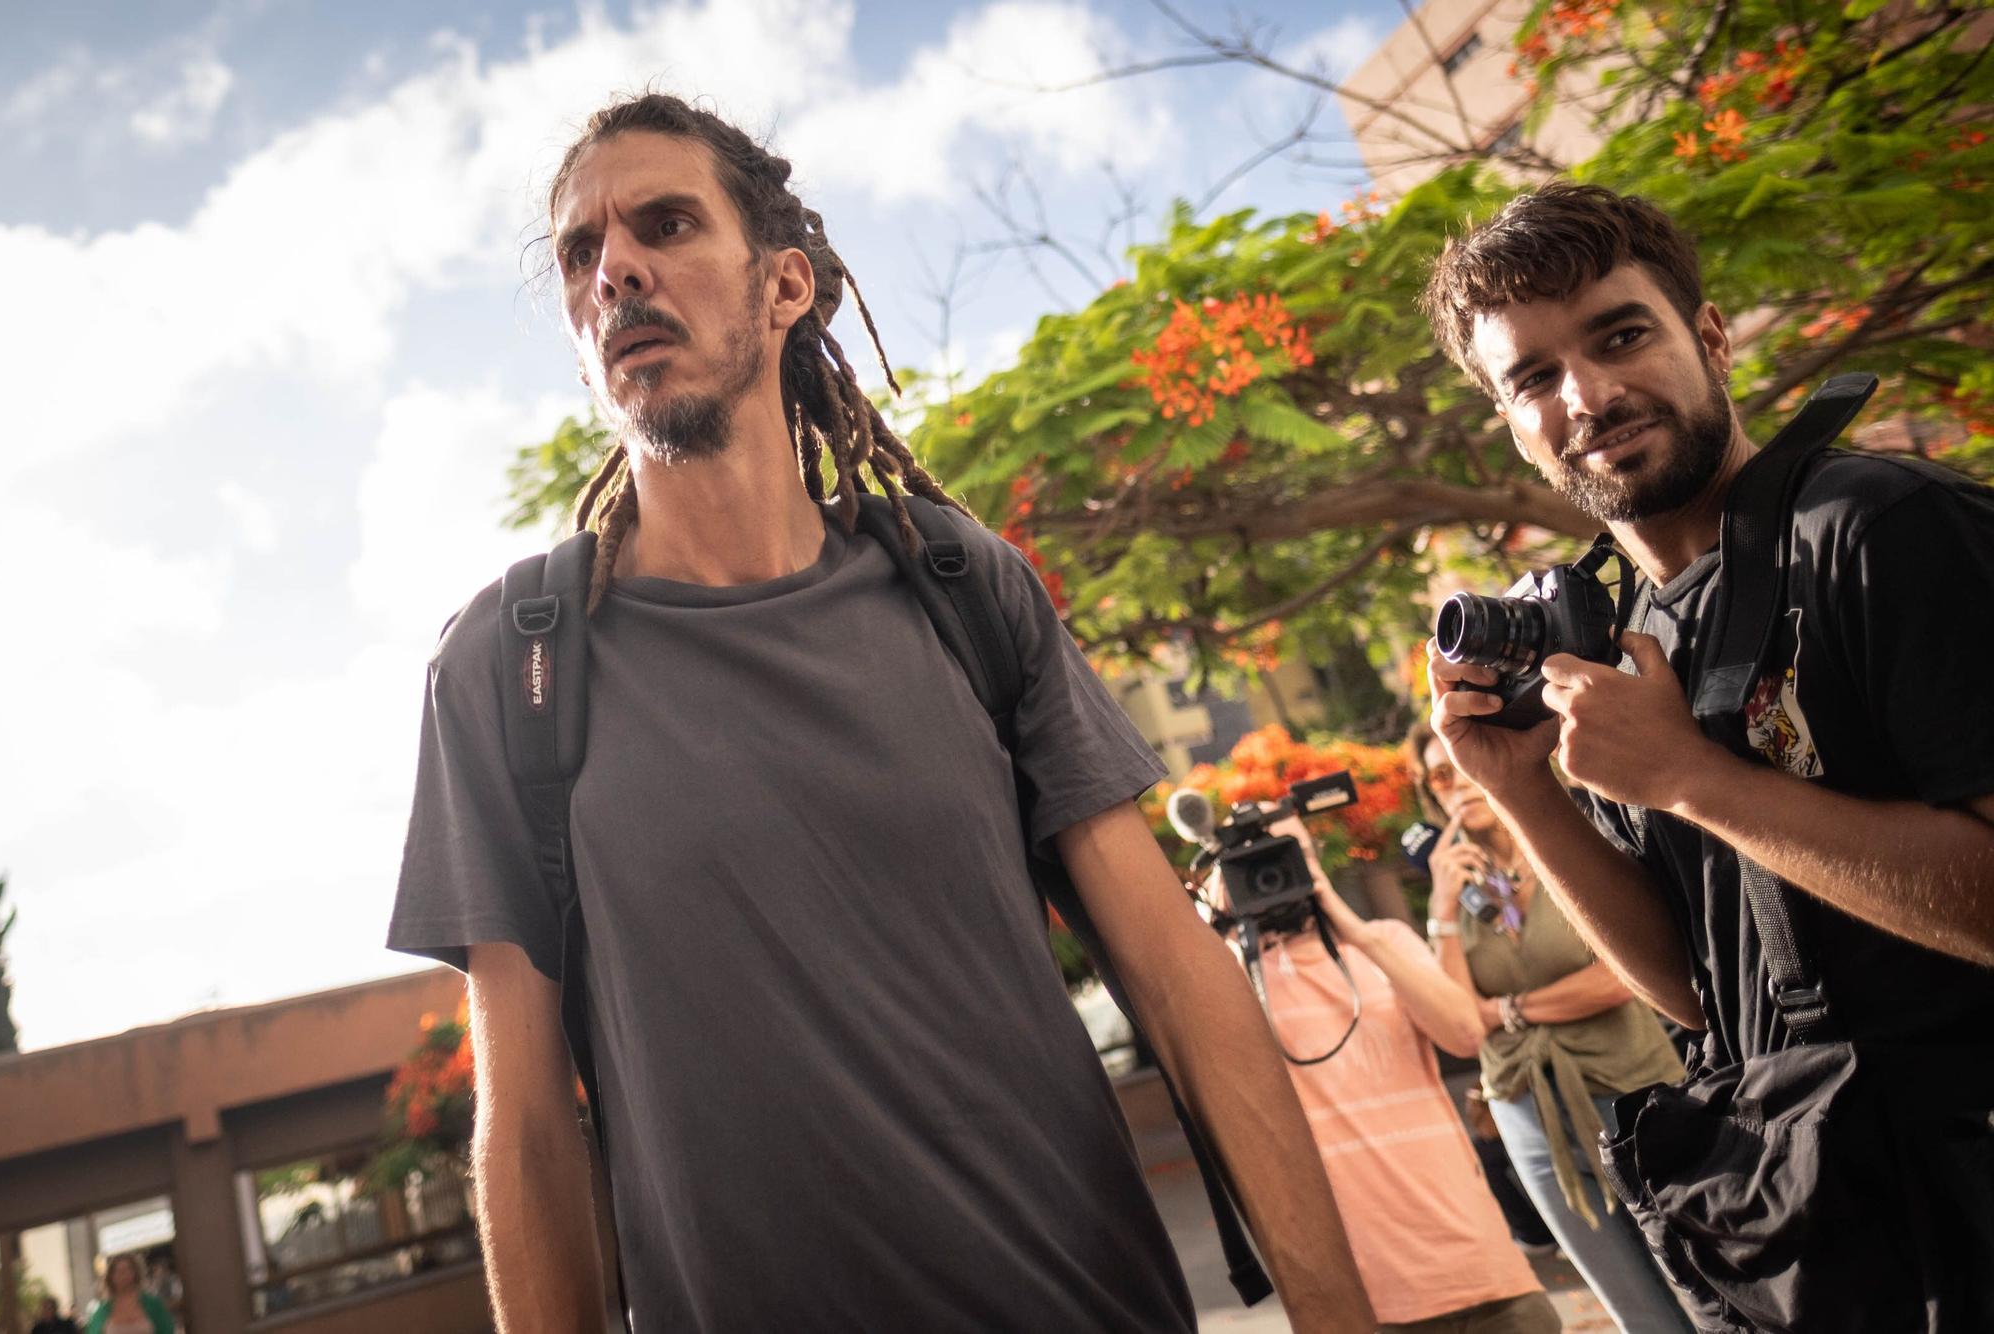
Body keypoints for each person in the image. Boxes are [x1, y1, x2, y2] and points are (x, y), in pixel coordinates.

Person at [386, 93, 1371, 1333]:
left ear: (783, 284)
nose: (615, 268)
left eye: (666, 223)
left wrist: (1338, 1313)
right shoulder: (507, 668)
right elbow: (526, 1123)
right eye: (583, 251)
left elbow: (1177, 980)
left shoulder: (962, 588)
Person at [1417, 182, 1994, 1327]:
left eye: (1619, 333)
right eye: (1531, 377)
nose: (1585, 394)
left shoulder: (1879, 531)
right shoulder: (1631, 637)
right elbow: (1696, 987)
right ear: (1509, 419)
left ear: (1709, 335)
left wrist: (1691, 774)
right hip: (1823, 1230)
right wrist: (1524, 789)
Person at [1201, 810, 1560, 1334]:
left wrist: (1355, 931)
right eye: (1257, 863)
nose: (1277, 874)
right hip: (1366, 1299)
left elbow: (1463, 1033)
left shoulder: (1384, 941)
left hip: (1482, 1267)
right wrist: (1218, 921)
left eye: (1293, 855)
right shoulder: (1231, 980)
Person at [1407, 718, 1690, 1333]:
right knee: (1638, 1313)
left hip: (1633, 1095)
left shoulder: (1576, 842)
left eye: (1461, 768)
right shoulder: (1460, 891)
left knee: (1707, 1284)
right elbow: (1459, 1023)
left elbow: (1621, 976)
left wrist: (1507, 1010)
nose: (1455, 785)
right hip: (1530, 1120)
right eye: (1438, 777)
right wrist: (1440, 910)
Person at [84, 1257, 172, 1334]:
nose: (123, 1274)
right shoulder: (102, 1311)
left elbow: (167, 1330)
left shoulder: (154, 1305)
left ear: (136, 1273)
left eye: (128, 1269)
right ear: (111, 1277)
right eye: (117, 1271)